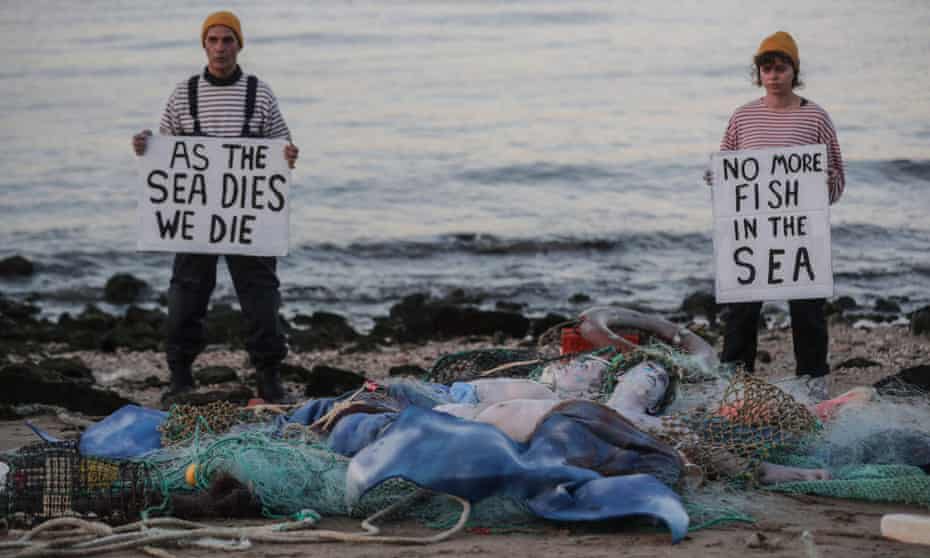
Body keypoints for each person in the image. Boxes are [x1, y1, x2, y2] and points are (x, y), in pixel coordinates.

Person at [132, 11, 299, 404]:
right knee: (186, 296)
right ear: (204, 45)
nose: (220, 48)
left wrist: (289, 154)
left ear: (239, 45)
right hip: (196, 218)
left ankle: (269, 378)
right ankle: (180, 377)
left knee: (261, 297)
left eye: (228, 40)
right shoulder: (184, 93)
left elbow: (281, 147)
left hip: (248, 217)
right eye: (213, 40)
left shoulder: (260, 93)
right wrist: (146, 146)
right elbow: (167, 152)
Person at [706, 31, 846, 401]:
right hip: (752, 233)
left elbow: (837, 181)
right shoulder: (742, 117)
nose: (773, 75)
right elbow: (729, 176)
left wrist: (823, 183)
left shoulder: (816, 117)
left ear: (794, 71)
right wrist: (718, 179)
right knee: (741, 308)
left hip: (801, 232)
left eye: (781, 68)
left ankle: (813, 381)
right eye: (766, 68)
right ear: (759, 73)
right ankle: (734, 382)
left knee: (807, 308)